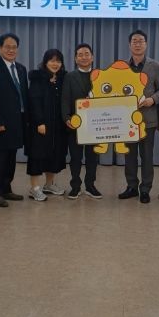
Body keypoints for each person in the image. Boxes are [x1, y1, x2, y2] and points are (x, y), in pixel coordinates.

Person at [118, 30, 159, 204]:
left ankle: (145, 189)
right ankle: (131, 186)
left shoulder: (156, 66)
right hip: (126, 120)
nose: (137, 44)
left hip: (148, 119)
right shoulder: (121, 66)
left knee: (147, 156)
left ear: (146, 44)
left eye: (141, 41)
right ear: (129, 44)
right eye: (134, 41)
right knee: (129, 156)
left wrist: (152, 100)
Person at [0, 33, 28, 207]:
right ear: (0, 48)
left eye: (14, 47)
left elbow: (23, 96)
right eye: (7, 47)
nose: (11, 50)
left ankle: (6, 189)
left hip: (17, 122)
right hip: (1, 123)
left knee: (11, 158)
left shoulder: (21, 69)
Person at [61, 43, 102, 199]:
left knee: (93, 157)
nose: (84, 57)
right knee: (76, 157)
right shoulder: (69, 76)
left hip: (96, 124)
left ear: (92, 57)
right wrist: (66, 118)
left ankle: (90, 185)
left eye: (87, 54)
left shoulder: (100, 75)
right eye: (80, 54)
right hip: (75, 124)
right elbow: (65, 99)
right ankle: (75, 186)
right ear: (75, 59)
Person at [27, 49, 68, 201]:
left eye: (58, 61)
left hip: (58, 124)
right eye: (52, 60)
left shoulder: (63, 78)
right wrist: (39, 122)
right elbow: (34, 101)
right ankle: (34, 188)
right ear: (45, 62)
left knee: (54, 153)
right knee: (37, 155)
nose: (55, 64)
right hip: (41, 124)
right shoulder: (37, 78)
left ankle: (49, 184)